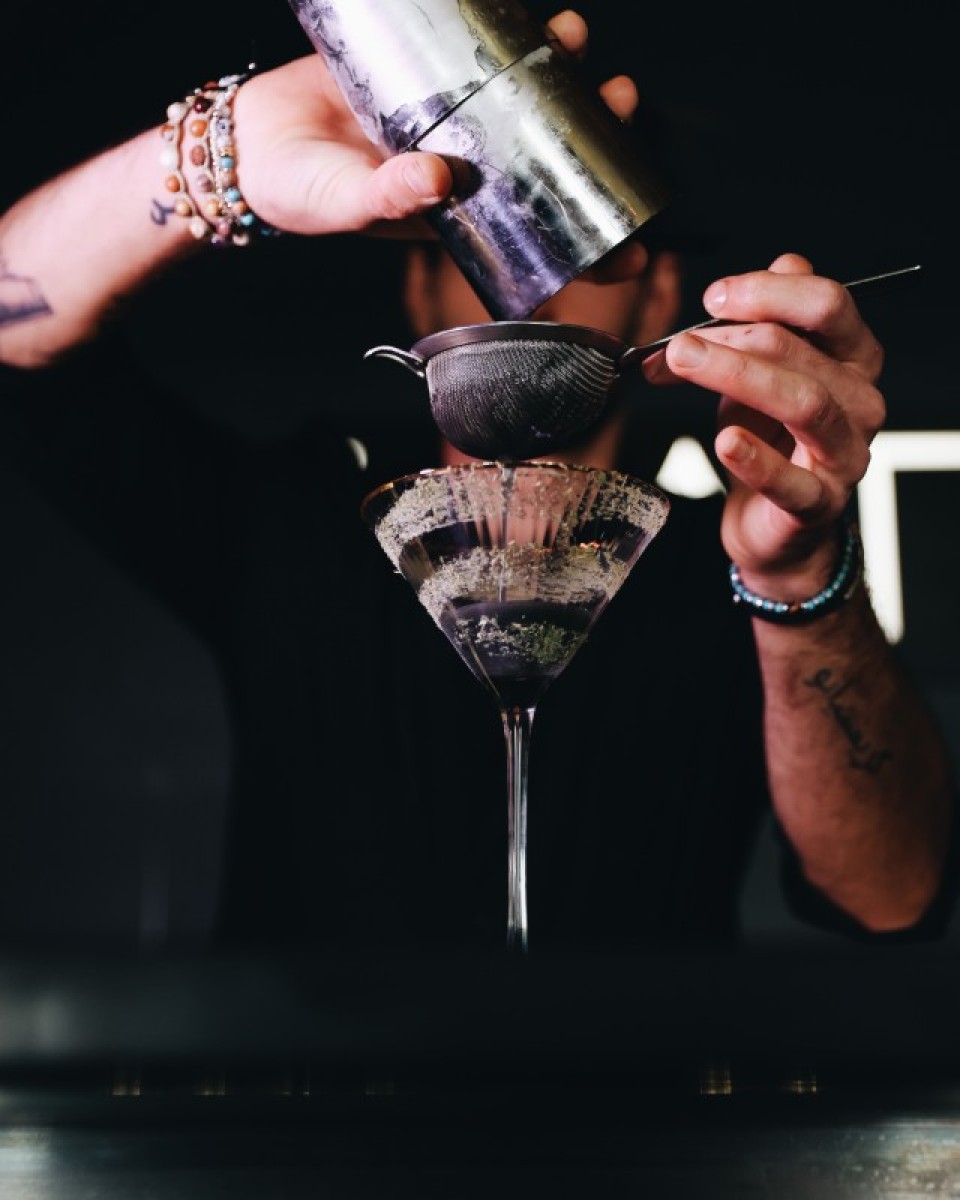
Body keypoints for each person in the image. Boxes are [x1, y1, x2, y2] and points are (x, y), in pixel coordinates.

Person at [0, 11, 955, 951]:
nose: (535, 277)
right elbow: (16, 338)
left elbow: (894, 897)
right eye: (483, 232)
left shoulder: (726, 563)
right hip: (305, 1061)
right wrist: (228, 150)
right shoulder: (290, 526)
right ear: (420, 288)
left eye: (575, 235)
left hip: (638, 1062)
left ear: (658, 295)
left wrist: (798, 585)